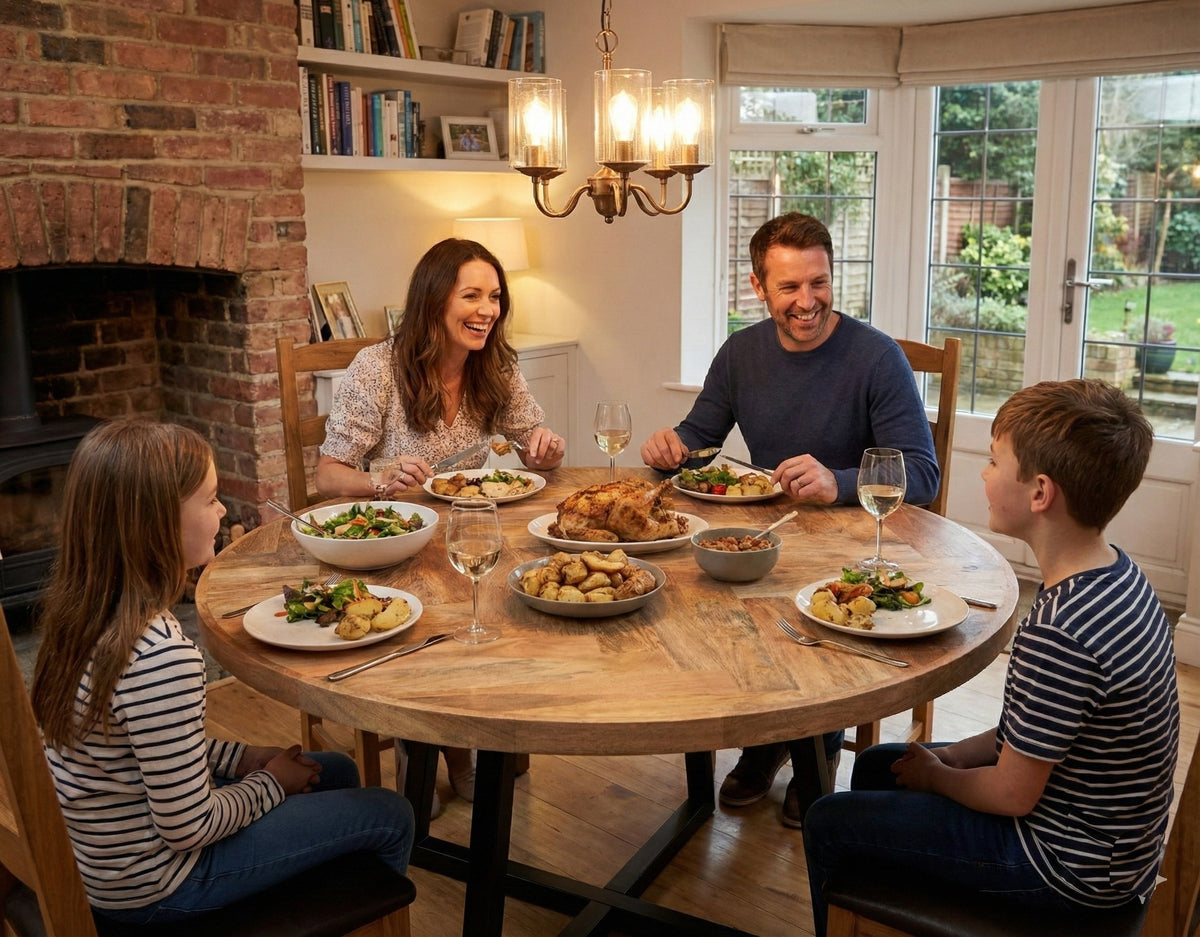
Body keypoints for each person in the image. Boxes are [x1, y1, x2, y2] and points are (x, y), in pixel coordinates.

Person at [802, 379, 1179, 937]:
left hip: (1067, 868)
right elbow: (1027, 736)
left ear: (1040, 493)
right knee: (885, 764)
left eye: (995, 461)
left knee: (828, 820)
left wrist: (939, 779)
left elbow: (1011, 793)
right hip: (1112, 846)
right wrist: (949, 757)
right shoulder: (1115, 576)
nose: (983, 472)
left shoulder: (1061, 631)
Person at [30, 420, 414, 924]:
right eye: (210, 500)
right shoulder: (161, 657)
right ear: (159, 522)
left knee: (336, 771)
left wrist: (243, 757)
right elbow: (188, 827)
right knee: (392, 814)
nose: (222, 511)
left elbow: (143, 749)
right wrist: (271, 782)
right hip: (161, 883)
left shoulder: (84, 617)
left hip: (103, 863)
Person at [640, 211, 940, 827]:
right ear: (758, 287)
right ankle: (775, 734)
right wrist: (669, 447)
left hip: (854, 547)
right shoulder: (740, 352)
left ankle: (814, 747)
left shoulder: (878, 358)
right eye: (789, 288)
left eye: (819, 283)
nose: (808, 302)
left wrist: (840, 482)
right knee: (703, 596)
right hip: (769, 534)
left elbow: (923, 476)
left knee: (803, 612)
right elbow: (699, 439)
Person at [316, 236, 565, 802]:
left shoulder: (494, 363)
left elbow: (528, 440)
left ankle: (483, 732)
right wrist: (381, 481)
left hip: (472, 530)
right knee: (454, 599)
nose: (488, 311)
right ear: (434, 301)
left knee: (528, 589)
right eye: (471, 296)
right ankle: (441, 746)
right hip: (398, 542)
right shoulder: (377, 368)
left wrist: (541, 449)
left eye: (495, 297)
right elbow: (329, 476)